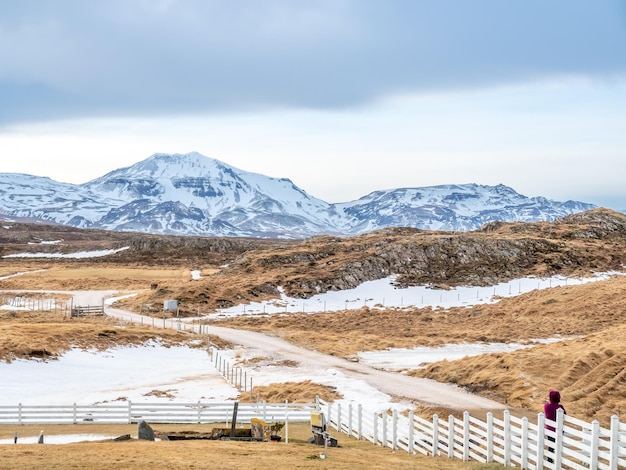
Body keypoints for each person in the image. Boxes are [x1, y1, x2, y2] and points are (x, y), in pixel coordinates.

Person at [544, 390, 566, 463]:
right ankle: (556, 460)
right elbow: (564, 415)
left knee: (551, 445)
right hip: (558, 429)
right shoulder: (559, 407)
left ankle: (550, 459)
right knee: (558, 445)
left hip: (549, 429)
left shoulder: (546, 406)